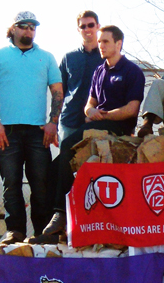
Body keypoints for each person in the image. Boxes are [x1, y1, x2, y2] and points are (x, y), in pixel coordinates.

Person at [33, 25, 144, 243]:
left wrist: (105, 116)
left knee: (68, 146)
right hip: (97, 124)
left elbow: (132, 109)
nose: (101, 45)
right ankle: (49, 229)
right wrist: (91, 111)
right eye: (100, 41)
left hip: (117, 128)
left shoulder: (132, 71)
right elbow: (89, 105)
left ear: (118, 44)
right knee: (54, 168)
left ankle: (62, 214)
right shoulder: (99, 71)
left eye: (106, 42)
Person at [0, 11, 62, 244]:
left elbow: (57, 91)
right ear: (13, 29)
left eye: (32, 27)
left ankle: (42, 233)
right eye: (24, 26)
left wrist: (52, 123)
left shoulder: (46, 58)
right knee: (11, 183)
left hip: (39, 132)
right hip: (8, 131)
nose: (28, 31)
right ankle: (14, 230)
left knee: (41, 185)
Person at [58, 11, 104, 141]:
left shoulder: (106, 58)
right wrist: (54, 122)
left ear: (98, 26)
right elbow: (60, 92)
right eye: (83, 26)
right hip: (69, 122)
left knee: (95, 161)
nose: (87, 29)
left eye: (91, 25)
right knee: (65, 160)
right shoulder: (69, 58)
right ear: (78, 29)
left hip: (97, 122)